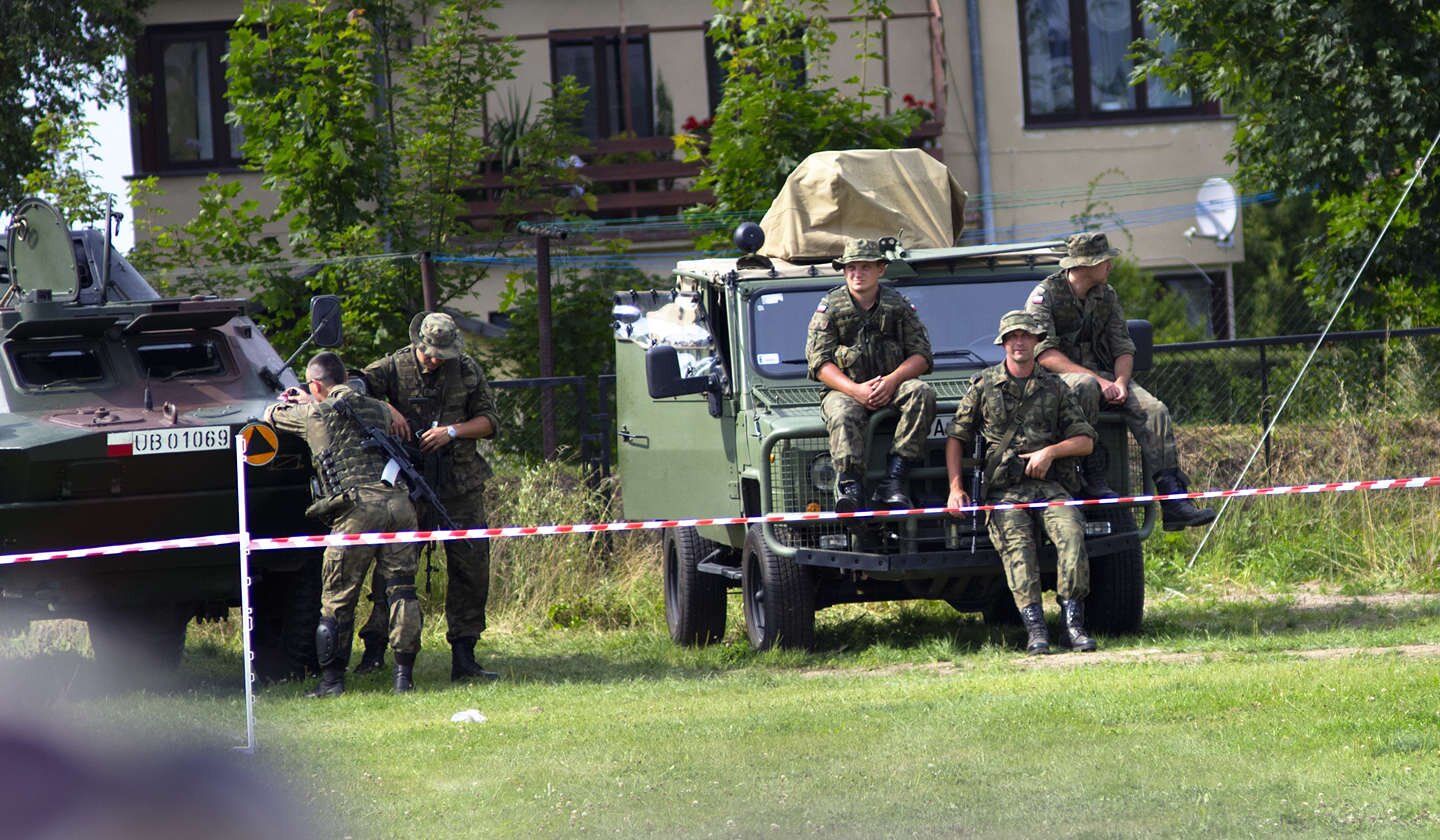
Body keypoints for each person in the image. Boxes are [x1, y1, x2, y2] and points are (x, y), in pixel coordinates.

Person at [1025, 231, 1217, 530]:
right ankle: (1091, 475)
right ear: (1085, 265)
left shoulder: (1107, 295)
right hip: (1056, 382)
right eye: (1104, 261)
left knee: (1155, 410)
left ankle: (1173, 498)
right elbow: (1044, 353)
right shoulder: (1045, 295)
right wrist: (1100, 382)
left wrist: (1121, 382)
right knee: (1085, 385)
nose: (1110, 266)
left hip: (1105, 379)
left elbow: (1123, 346)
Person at [265, 351, 422, 695]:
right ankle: (403, 679)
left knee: (337, 597)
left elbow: (272, 414)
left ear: (315, 384)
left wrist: (298, 400)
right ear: (346, 379)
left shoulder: (314, 413)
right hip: (399, 504)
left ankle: (332, 681)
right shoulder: (379, 408)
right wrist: (314, 398)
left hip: (357, 510)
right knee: (402, 590)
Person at [355, 312, 502, 682]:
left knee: (471, 569)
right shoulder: (393, 366)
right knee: (394, 569)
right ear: (418, 343)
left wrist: (452, 431)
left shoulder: (466, 370)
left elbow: (489, 421)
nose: (436, 360)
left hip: (460, 486)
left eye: (442, 355)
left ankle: (465, 657)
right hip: (407, 485)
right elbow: (353, 387)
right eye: (430, 353)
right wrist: (387, 409)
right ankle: (376, 648)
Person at [945, 311, 1097, 654]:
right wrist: (955, 488)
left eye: (1025, 335)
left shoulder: (1055, 387)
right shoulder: (984, 386)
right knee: (1018, 548)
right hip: (1004, 492)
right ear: (1003, 343)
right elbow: (956, 438)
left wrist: (1050, 452)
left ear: (1036, 341)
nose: (1019, 342)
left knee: (1073, 536)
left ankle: (1073, 625)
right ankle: (1036, 630)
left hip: (1050, 488)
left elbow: (1085, 440)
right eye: (1012, 336)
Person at [804, 237, 937, 511]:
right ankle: (851, 487)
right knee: (841, 414)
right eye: (851, 267)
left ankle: (895, 478)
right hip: (845, 389)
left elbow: (922, 355)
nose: (857, 273)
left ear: (880, 269)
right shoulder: (830, 307)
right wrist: (855, 390)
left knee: (922, 393)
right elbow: (819, 363)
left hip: (892, 385)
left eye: (865, 267)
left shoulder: (897, 305)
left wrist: (892, 380)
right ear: (844, 271)